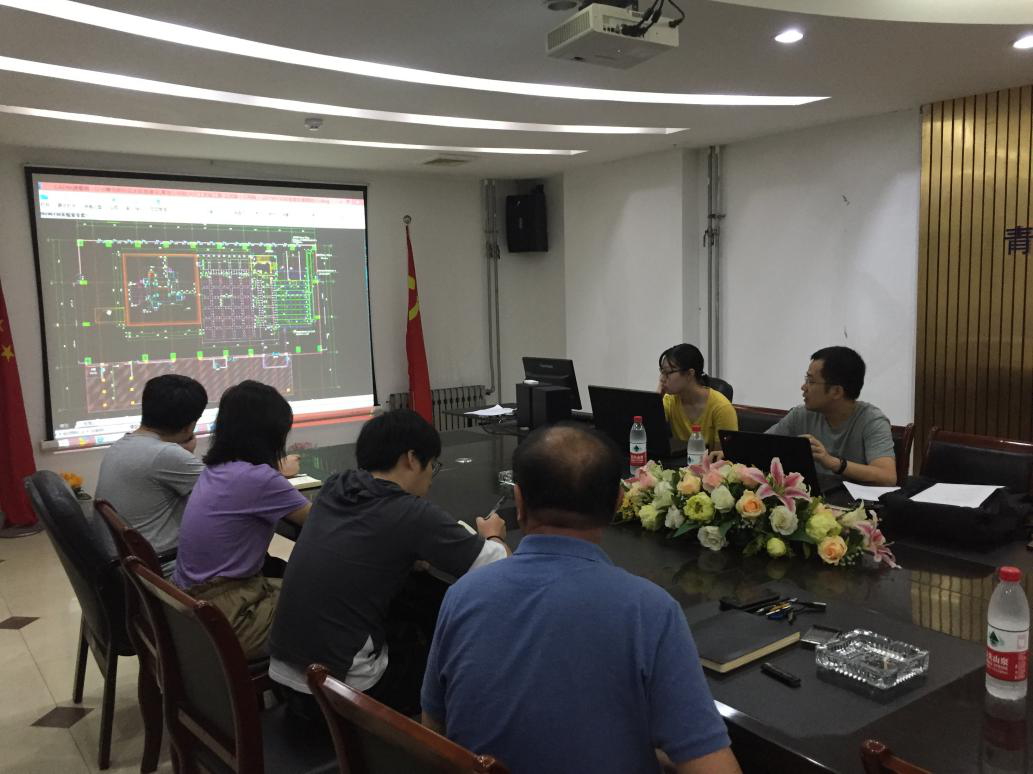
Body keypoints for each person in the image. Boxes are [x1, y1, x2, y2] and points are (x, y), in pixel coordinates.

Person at [421, 424, 740, 774]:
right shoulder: (649, 610)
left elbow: (433, 730)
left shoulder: (462, 595)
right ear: (618, 503)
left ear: (519, 500)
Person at [269, 409, 509, 717]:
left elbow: (362, 540)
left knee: (412, 603)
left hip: (285, 672)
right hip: (342, 692)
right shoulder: (411, 513)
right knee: (452, 663)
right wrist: (494, 535)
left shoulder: (336, 487)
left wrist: (405, 554)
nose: (430, 477)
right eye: (432, 465)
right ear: (411, 458)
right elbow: (498, 566)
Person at [172, 380, 309, 659]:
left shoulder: (217, 468)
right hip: (230, 617)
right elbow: (319, 521)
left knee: (306, 586)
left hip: (190, 608)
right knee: (338, 605)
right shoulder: (259, 478)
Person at [95, 374, 207, 575]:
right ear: (190, 426)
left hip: (126, 566)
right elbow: (226, 495)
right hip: (163, 570)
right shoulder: (167, 455)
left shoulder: (121, 445)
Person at [766, 346, 896, 488]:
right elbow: (759, 447)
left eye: (811, 381)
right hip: (811, 497)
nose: (803, 387)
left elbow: (887, 477)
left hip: (853, 500)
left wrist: (833, 463)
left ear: (836, 391)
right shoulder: (800, 415)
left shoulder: (872, 420)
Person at [658, 343, 738, 451]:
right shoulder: (669, 400)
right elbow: (648, 434)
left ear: (689, 374)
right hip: (680, 461)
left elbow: (722, 456)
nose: (662, 379)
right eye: (662, 372)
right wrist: (656, 399)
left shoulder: (721, 408)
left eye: (668, 373)